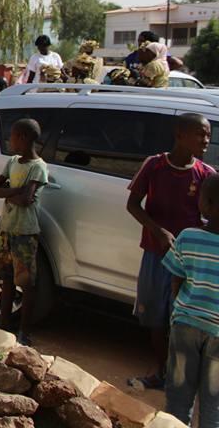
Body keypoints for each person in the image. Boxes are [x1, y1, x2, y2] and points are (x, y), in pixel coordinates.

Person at [126, 113, 215, 391]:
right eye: (200, 134)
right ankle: (161, 373)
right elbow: (133, 204)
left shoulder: (206, 175)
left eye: (208, 135)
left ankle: (182, 378)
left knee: (182, 318)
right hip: (156, 254)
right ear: (180, 135)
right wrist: (158, 231)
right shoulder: (154, 166)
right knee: (154, 317)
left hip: (189, 263)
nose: (206, 140)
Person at [162, 172, 219, 427]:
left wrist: (178, 310)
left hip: (186, 325)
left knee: (179, 394)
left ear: (204, 204)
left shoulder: (187, 237)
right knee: (214, 401)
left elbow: (176, 279)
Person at [0, 118, 48, 346]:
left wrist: (10, 193)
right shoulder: (12, 162)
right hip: (5, 228)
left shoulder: (38, 167)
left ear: (23, 138)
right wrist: (16, 191)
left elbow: (26, 200)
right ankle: (4, 325)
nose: (10, 140)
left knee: (25, 281)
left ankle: (24, 330)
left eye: (13, 136)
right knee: (6, 278)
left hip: (24, 231)